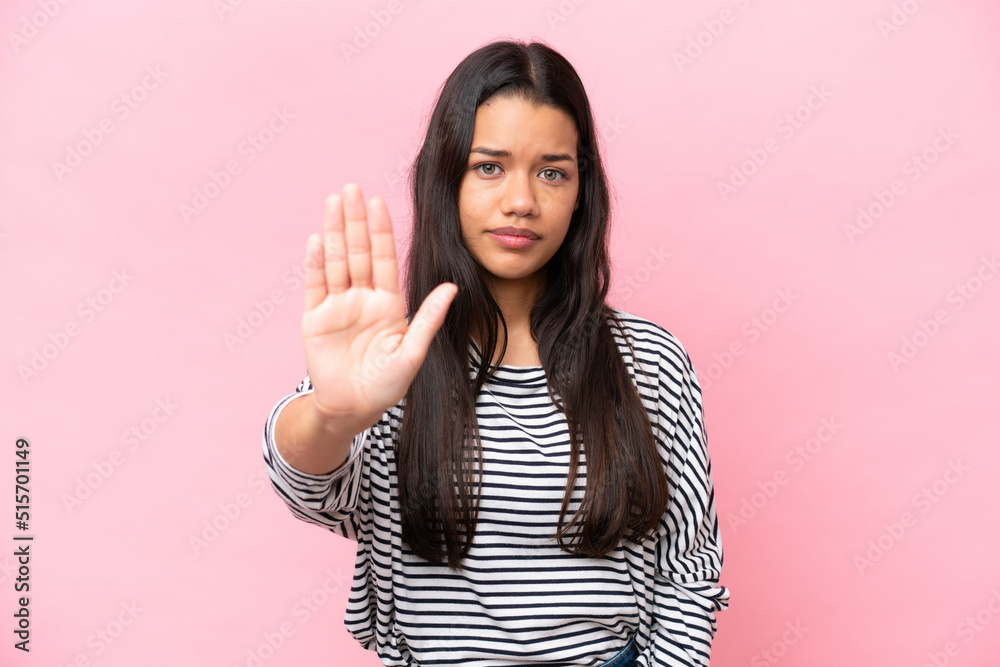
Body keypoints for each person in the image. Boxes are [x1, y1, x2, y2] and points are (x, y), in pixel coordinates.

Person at [262, 39, 729, 667]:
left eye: (552, 172)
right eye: (489, 167)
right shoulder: (391, 358)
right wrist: (332, 416)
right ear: (445, 177)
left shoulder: (650, 361)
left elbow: (688, 572)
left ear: (582, 192)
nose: (522, 201)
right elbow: (310, 489)